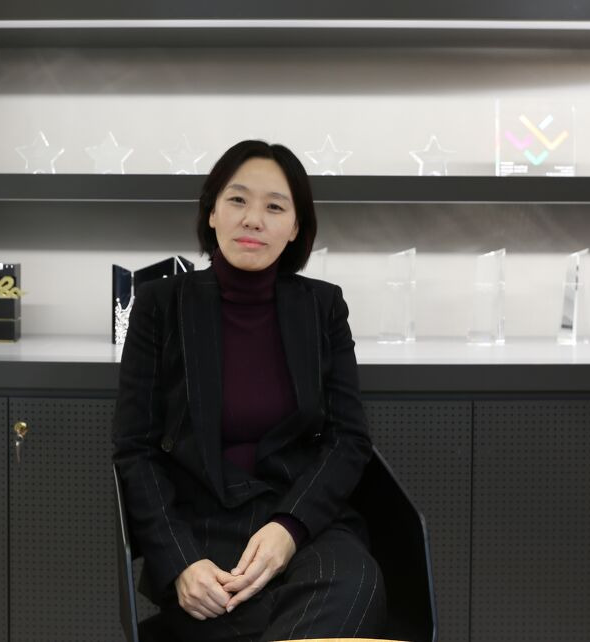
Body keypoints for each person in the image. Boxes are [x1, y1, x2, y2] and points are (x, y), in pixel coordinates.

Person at [112, 139, 386, 642]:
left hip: (301, 520)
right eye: (237, 200)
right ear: (212, 212)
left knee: (354, 585)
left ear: (296, 227)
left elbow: (349, 440)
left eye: (274, 207)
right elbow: (136, 450)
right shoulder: (159, 305)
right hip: (202, 528)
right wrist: (180, 561)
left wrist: (289, 528)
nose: (253, 219)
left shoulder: (323, 307)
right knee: (245, 615)